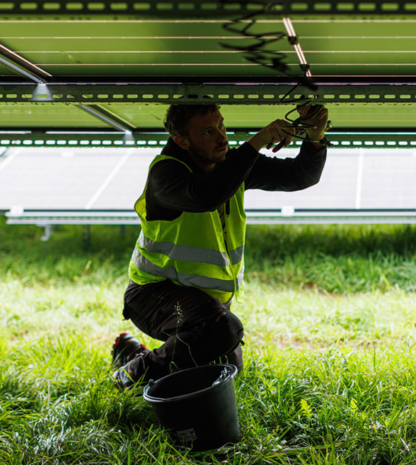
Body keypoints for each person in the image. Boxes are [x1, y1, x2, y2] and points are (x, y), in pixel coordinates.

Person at [111, 103, 329, 390]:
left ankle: (132, 353)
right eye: (208, 131)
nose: (221, 137)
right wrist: (256, 143)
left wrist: (315, 137)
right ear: (182, 141)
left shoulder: (230, 165)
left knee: (225, 371)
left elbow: (301, 176)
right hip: (155, 294)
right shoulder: (165, 175)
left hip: (206, 302)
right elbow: (205, 195)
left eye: (221, 126)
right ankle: (130, 375)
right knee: (220, 330)